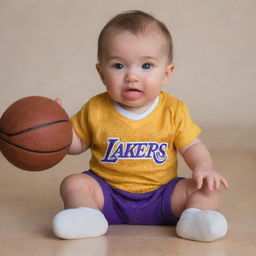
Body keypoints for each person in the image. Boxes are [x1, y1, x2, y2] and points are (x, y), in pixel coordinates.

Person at [52, 10, 229, 242]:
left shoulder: (173, 110)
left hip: (163, 195)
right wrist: (56, 128)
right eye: (118, 66)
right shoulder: (95, 108)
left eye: (146, 66)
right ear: (101, 73)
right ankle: (88, 216)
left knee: (207, 190)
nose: (132, 77)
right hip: (108, 195)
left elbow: (191, 145)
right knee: (74, 183)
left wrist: (204, 166)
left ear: (167, 74)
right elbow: (76, 144)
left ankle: (193, 219)